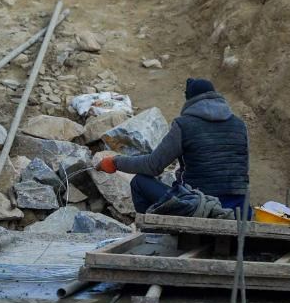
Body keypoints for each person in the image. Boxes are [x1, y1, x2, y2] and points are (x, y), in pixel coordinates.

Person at [95, 78, 249, 214]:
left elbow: (152, 166)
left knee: (139, 182)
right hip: (238, 208)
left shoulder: (184, 125)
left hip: (198, 205)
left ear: (190, 100)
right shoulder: (240, 125)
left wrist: (115, 162)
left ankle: (153, 233)